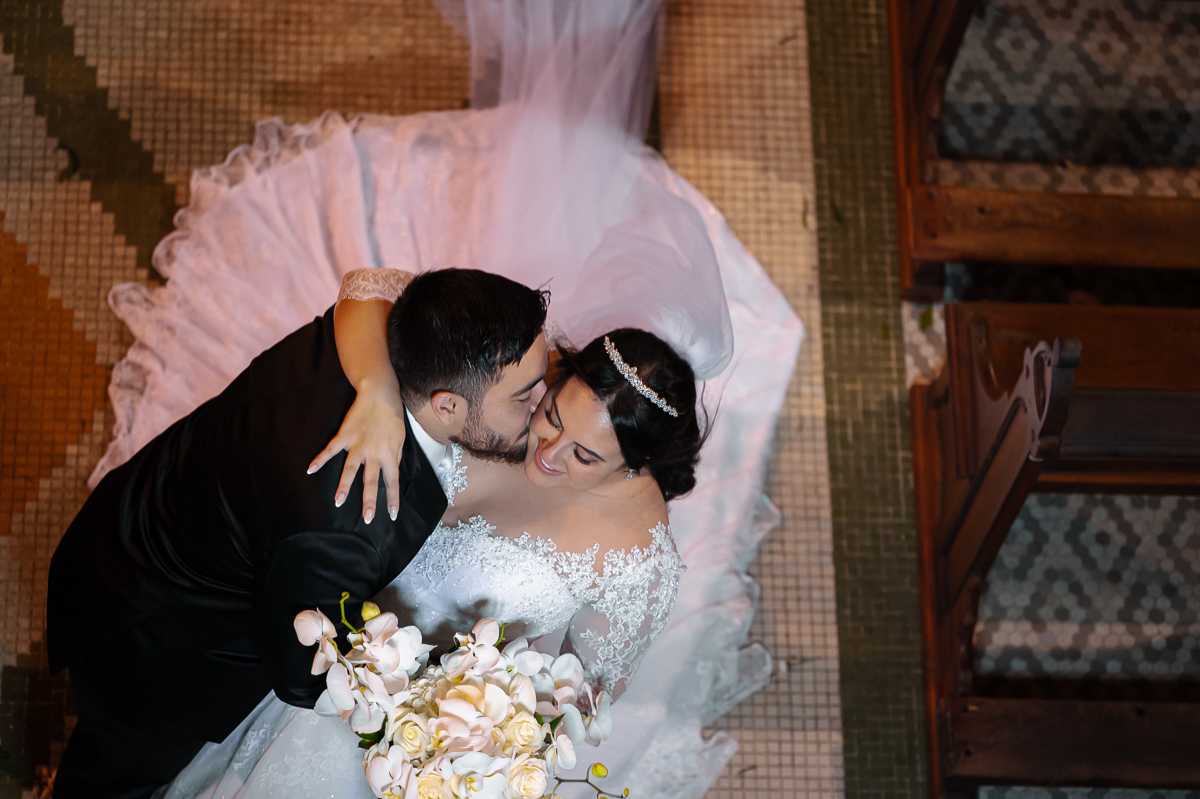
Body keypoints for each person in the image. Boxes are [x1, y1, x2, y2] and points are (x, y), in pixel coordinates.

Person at [84, 0, 804, 795]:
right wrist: (376, 394)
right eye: (553, 413)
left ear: (636, 466)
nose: (549, 450)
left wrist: (478, 724)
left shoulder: (637, 560)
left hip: (426, 725)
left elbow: (583, 695)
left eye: (587, 454)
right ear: (554, 376)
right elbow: (370, 288)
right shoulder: (500, 382)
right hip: (322, 651)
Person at [46, 268, 550, 799]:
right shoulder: (350, 520)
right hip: (158, 648)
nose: (540, 408)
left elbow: (369, 287)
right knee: (111, 778)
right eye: (523, 397)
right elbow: (300, 675)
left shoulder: (396, 337)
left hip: (147, 510)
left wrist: (376, 387)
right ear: (446, 404)